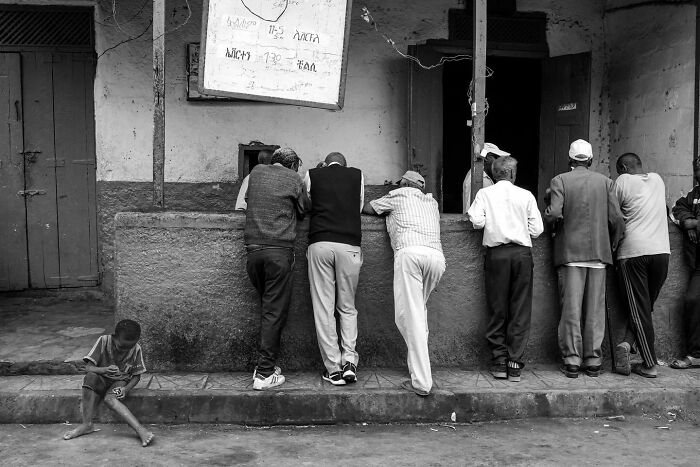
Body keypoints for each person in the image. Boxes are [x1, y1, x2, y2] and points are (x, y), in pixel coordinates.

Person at [543, 139, 625, 378]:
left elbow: (555, 213)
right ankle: (593, 360)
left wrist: (549, 213)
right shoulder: (606, 182)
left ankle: (572, 359)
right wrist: (611, 244)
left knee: (571, 309)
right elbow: (617, 220)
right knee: (595, 310)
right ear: (590, 160)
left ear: (570, 160)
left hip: (570, 254)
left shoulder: (560, 180)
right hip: (599, 255)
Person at [363, 171, 445, 396]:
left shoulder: (397, 195)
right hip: (436, 259)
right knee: (418, 315)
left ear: (404, 184)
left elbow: (368, 208)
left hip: (410, 254)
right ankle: (417, 371)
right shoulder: (431, 201)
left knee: (408, 317)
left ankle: (421, 382)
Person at [467, 156, 543, 381]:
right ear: (511, 174)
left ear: (494, 174)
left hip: (497, 255)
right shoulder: (525, 195)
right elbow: (537, 229)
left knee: (497, 307)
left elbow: (476, 221)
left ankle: (499, 361)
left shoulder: (484, 194)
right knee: (519, 309)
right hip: (521, 255)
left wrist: (493, 223)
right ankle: (514, 362)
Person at [245, 147, 310, 390]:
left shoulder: (256, 172)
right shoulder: (294, 178)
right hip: (279, 253)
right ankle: (263, 374)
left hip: (253, 252)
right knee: (273, 313)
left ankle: (266, 365)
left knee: (267, 308)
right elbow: (304, 208)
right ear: (294, 165)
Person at [304, 152, 364, 385]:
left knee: (324, 308)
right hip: (350, 245)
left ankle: (333, 368)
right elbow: (357, 207)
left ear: (325, 164)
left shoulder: (313, 174)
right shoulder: (357, 175)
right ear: (345, 164)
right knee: (348, 307)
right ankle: (350, 362)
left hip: (320, 243)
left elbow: (308, 204)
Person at [63, 319, 153, 447]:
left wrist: (126, 389)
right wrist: (103, 369)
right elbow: (88, 368)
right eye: (122, 346)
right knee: (90, 377)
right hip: (100, 379)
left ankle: (140, 429)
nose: (125, 350)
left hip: (120, 383)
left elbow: (136, 377)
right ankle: (86, 424)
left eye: (130, 346)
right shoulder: (104, 341)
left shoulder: (137, 349)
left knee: (110, 399)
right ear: (114, 337)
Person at [670, 158, 700, 370]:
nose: (697, 173)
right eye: (696, 169)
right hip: (698, 266)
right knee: (692, 300)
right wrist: (689, 222)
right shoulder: (694, 194)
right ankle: (696, 354)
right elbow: (676, 209)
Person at [462, 142, 510, 213]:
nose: (499, 163)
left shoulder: (484, 177)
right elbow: (471, 211)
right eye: (496, 158)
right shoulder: (475, 177)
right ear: (487, 157)